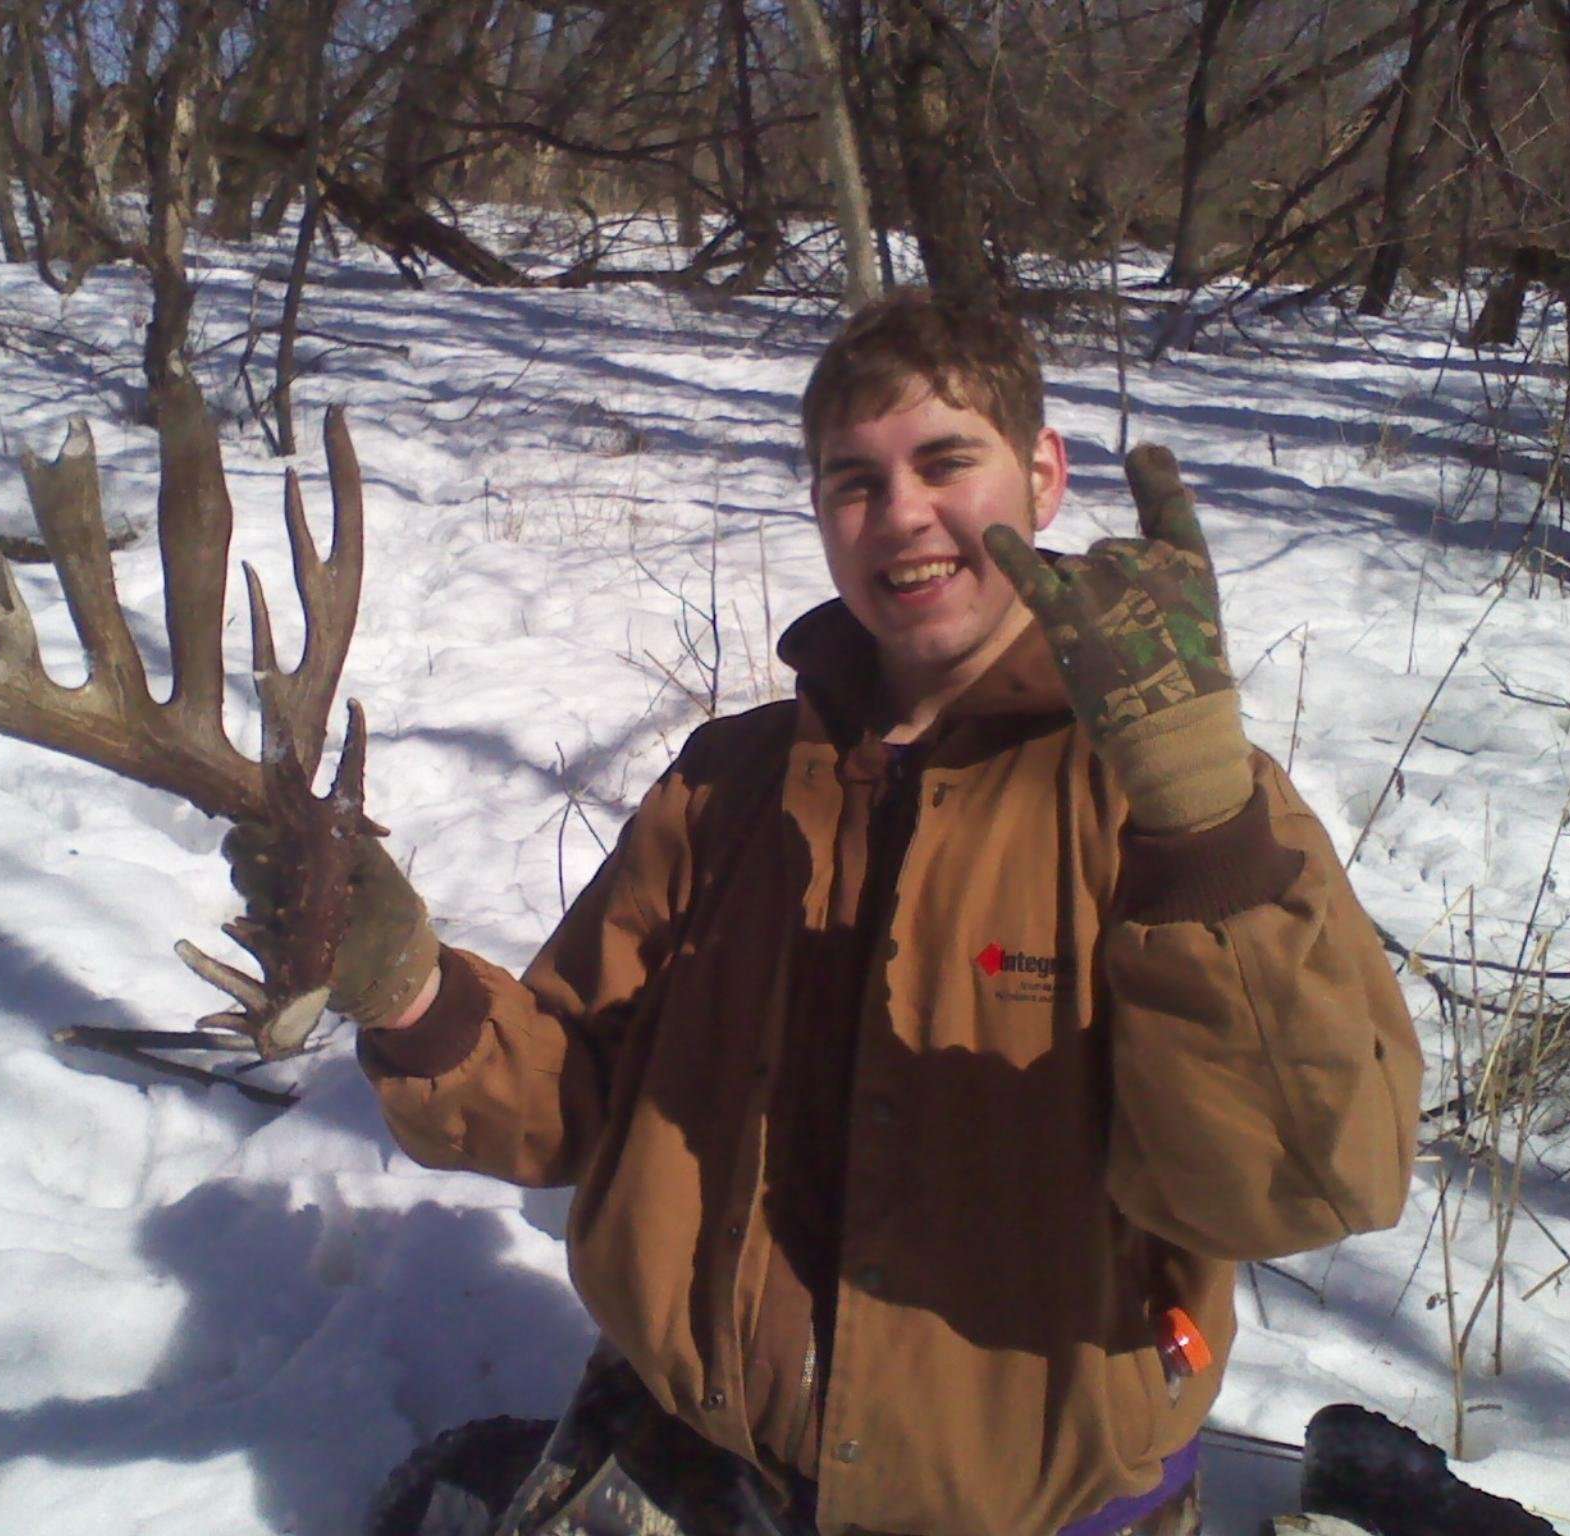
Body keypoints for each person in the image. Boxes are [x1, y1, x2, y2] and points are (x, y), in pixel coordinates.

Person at [229, 290, 1423, 1536]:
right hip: (704, 1458)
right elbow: (579, 1101)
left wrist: (1192, 811)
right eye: (853, 479)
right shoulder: (729, 784)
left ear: (1043, 473)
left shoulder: (1168, 799)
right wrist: (411, 993)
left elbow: (1307, 1182)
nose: (900, 512)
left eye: (944, 462)